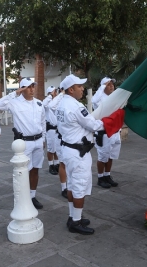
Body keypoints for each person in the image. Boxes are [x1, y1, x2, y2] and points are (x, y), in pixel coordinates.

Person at [56, 74, 105, 235]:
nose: (82, 89)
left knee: (72, 185)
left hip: (68, 150)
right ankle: (75, 222)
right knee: (79, 186)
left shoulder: (62, 103)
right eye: (80, 86)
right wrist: (108, 120)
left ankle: (73, 216)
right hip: (78, 152)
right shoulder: (76, 106)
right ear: (71, 89)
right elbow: (93, 125)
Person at [0, 77, 46, 209]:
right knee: (23, 172)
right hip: (24, 142)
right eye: (28, 87)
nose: (31, 89)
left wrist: (44, 139)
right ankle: (22, 198)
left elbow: (43, 122)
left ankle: (32, 196)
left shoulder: (39, 103)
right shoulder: (15, 103)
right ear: (22, 89)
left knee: (35, 170)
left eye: (32, 86)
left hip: (38, 140)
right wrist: (15, 93)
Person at [92, 77, 120, 188]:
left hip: (115, 131)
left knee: (111, 155)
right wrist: (102, 87)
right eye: (108, 84)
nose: (111, 86)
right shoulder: (99, 99)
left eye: (112, 84)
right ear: (103, 86)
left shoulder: (114, 97)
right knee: (102, 156)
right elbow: (93, 101)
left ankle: (107, 175)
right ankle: (100, 177)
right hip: (104, 132)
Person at [47, 86, 68, 198]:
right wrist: (59, 94)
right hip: (53, 131)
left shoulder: (68, 102)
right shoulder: (53, 102)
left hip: (67, 135)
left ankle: (70, 186)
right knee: (53, 151)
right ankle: (64, 187)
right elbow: (50, 105)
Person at [43, 85, 60, 175]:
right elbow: (43, 104)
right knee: (51, 148)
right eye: (54, 92)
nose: (56, 93)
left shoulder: (57, 102)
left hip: (58, 129)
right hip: (50, 129)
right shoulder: (47, 104)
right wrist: (50, 95)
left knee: (57, 147)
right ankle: (51, 165)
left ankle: (57, 164)